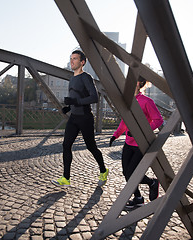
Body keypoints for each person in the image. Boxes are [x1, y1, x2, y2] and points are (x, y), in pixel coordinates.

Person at [51, 50, 109, 187]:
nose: (72, 61)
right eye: (71, 58)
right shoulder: (72, 79)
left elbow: (94, 97)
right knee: (66, 145)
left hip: (85, 118)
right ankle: (66, 178)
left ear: (82, 62)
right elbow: (77, 98)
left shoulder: (85, 77)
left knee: (91, 147)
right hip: (74, 118)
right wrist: (69, 107)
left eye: (75, 59)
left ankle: (103, 170)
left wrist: (75, 102)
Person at [109, 76, 163, 208]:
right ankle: (138, 198)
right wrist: (115, 135)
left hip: (140, 144)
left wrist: (140, 131)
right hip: (128, 143)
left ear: (139, 84)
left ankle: (152, 183)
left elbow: (158, 120)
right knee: (126, 172)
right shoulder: (128, 101)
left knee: (131, 172)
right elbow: (124, 122)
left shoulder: (146, 101)